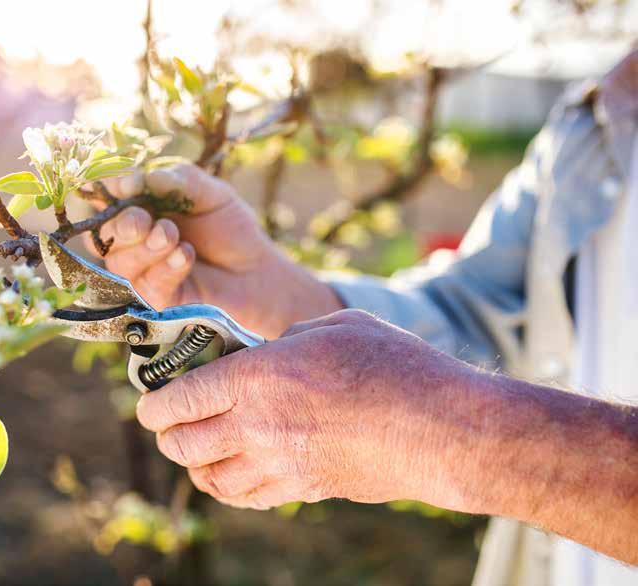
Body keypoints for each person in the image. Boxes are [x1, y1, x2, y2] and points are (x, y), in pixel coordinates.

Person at [93, 49, 638, 584]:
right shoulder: (600, 117)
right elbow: (476, 314)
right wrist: (270, 288)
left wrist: (456, 435)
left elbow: (454, 409)